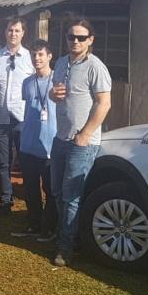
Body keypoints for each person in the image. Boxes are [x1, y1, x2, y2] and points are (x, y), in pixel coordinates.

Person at [49, 18, 112, 266]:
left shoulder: (96, 66)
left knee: (71, 196)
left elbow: (104, 103)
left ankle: (65, 248)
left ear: (90, 40)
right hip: (60, 137)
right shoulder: (62, 63)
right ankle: (66, 235)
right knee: (56, 191)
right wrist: (53, 94)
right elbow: (56, 97)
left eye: (81, 37)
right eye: (71, 37)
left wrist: (85, 134)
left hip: (82, 142)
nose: (75, 41)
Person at [11, 39, 58, 240]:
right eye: (34, 55)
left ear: (49, 56)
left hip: (50, 144)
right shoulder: (27, 82)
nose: (36, 58)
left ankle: (50, 227)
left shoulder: (58, 81)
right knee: (30, 187)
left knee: (51, 189)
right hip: (28, 143)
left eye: (40, 54)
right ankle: (33, 224)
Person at [0, 18, 33, 215]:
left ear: (23, 33)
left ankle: (31, 201)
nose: (13, 34)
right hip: (1, 117)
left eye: (17, 30)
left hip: (23, 118)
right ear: (5, 32)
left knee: (25, 161)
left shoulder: (31, 58)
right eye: (10, 30)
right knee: (3, 162)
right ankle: (5, 200)